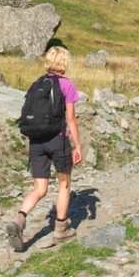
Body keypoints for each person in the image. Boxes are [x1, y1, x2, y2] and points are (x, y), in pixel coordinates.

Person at [6, 46, 83, 252]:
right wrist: (77, 145)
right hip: (58, 140)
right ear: (65, 63)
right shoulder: (67, 85)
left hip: (37, 141)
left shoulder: (37, 84)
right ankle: (61, 228)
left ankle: (19, 219)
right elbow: (71, 119)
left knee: (40, 189)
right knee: (64, 184)